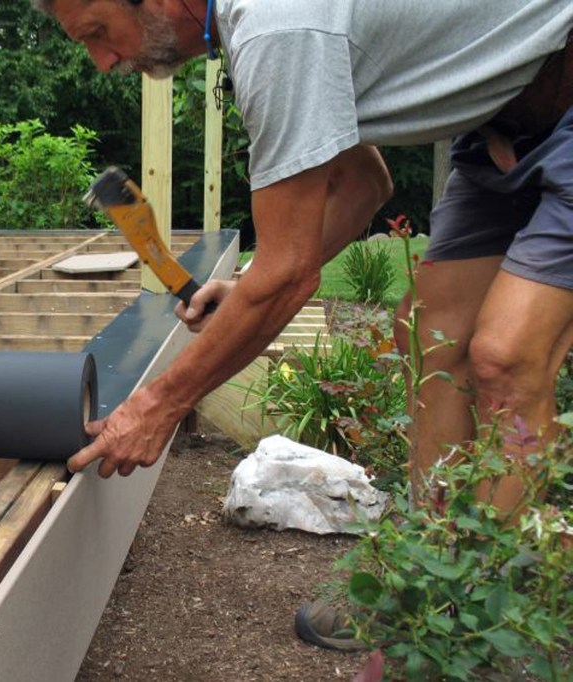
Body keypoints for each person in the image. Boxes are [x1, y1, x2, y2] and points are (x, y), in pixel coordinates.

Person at [34, 0, 573, 650]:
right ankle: (430, 574)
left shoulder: (276, 27)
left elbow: (289, 279)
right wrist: (245, 285)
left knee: (507, 356)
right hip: (503, 129)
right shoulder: (252, 29)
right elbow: (363, 184)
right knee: (427, 340)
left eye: (98, 33)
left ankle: (504, 603)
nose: (103, 61)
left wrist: (158, 404)